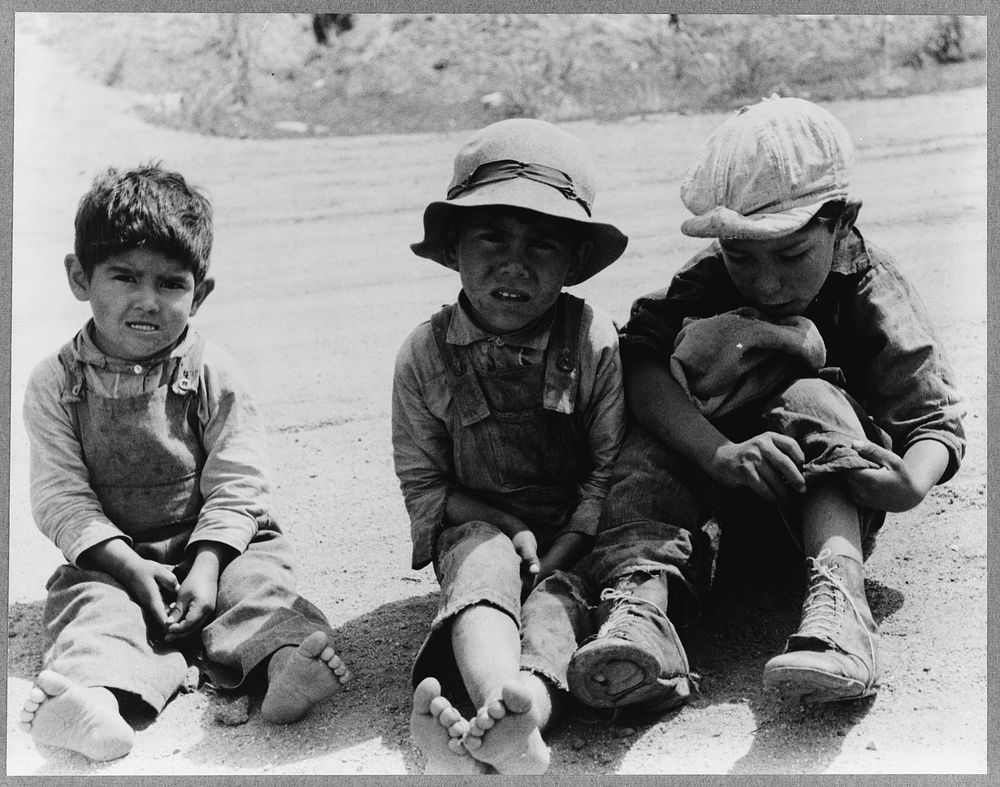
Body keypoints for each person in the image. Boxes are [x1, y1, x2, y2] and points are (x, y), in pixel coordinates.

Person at [566, 96, 967, 710]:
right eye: (741, 257)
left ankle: (841, 610)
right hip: (716, 497)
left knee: (809, 394)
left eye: (790, 255)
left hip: (817, 509)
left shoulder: (872, 289)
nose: (766, 282)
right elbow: (640, 360)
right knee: (653, 434)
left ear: (842, 220)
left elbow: (933, 418)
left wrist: (911, 481)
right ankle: (642, 611)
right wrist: (718, 451)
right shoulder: (709, 278)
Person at [19, 164, 351, 762]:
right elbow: (61, 497)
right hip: (116, 556)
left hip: (219, 547)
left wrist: (207, 562)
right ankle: (98, 704)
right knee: (95, 609)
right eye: (124, 276)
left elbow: (239, 480)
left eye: (171, 284)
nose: (147, 301)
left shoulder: (210, 371)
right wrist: (125, 564)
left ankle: (283, 669)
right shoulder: (55, 383)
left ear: (200, 292)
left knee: (258, 587)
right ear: (79, 276)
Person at [392, 118, 628, 774]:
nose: (514, 266)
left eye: (544, 244)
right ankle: (492, 692)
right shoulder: (423, 355)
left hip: (579, 541)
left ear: (575, 260)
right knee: (479, 564)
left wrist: (562, 545)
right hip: (482, 527)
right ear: (453, 248)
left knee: (558, 604)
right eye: (491, 236)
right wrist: (505, 524)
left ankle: (520, 720)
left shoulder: (592, 340)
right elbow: (426, 486)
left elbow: (610, 466)